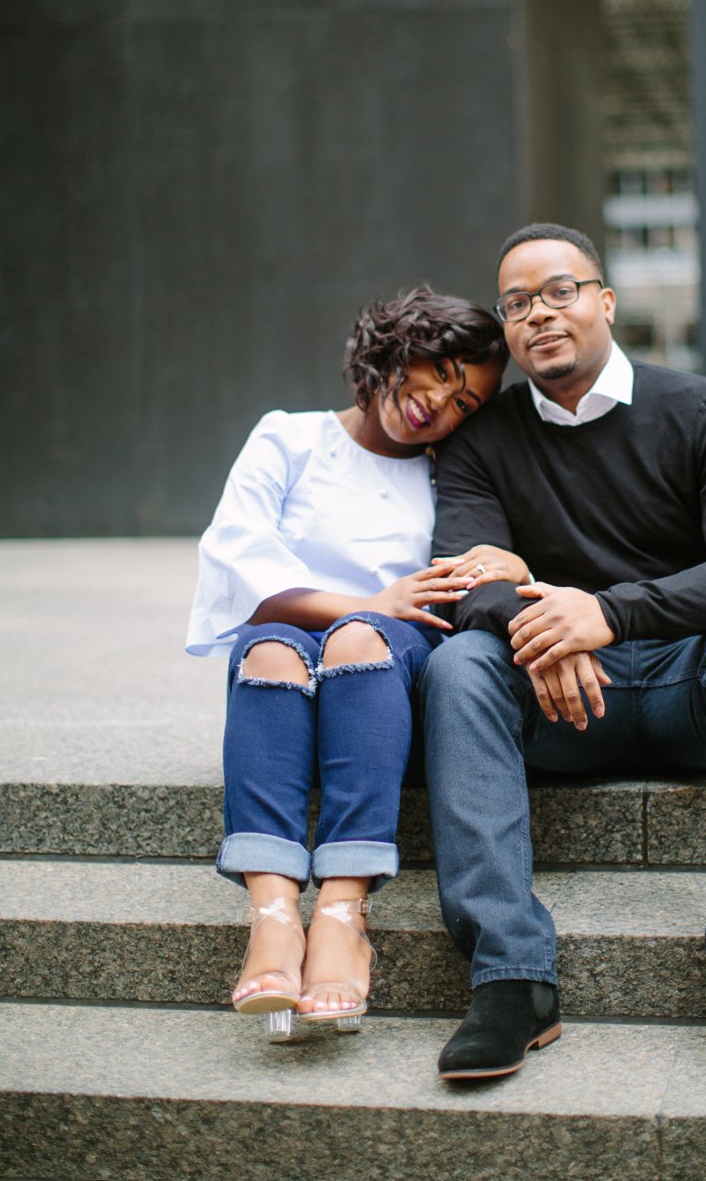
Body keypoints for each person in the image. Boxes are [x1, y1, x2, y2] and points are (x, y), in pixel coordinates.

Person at [417, 223, 706, 1087]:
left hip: (687, 691)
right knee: (457, 665)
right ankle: (510, 978)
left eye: (560, 290)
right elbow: (464, 577)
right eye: (517, 303)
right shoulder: (480, 439)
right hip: (558, 703)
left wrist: (605, 612)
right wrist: (545, 631)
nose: (539, 314)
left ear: (604, 300)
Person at [186, 288, 509, 1040]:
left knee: (359, 638)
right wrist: (371, 598)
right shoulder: (288, 439)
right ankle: (271, 913)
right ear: (400, 346)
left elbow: (464, 576)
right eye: (440, 371)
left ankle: (341, 911)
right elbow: (238, 556)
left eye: (464, 402)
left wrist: (386, 610)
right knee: (265, 648)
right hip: (292, 634)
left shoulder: (446, 474)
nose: (440, 404)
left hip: (394, 653)